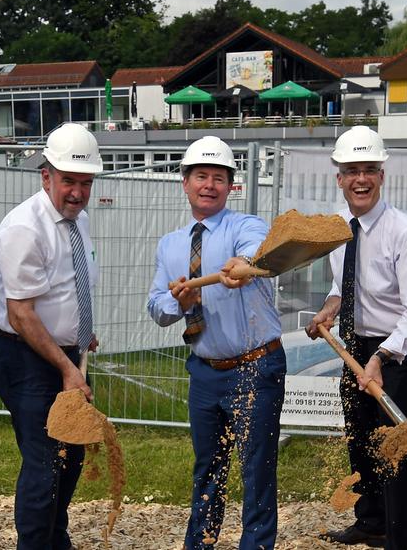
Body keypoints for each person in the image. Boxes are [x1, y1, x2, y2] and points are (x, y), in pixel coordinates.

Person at [147, 136, 285, 550]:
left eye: (219, 178)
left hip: (254, 367)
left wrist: (243, 266)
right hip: (205, 373)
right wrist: (179, 301)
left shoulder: (245, 227)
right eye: (201, 176)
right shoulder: (171, 245)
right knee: (208, 467)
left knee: (256, 468)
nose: (210, 184)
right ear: (184, 183)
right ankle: (200, 544)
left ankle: (256, 545)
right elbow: (156, 307)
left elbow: (258, 256)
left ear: (231, 187)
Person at [304, 126, 407, 550]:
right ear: (338, 178)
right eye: (351, 171)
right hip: (356, 342)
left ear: (382, 176)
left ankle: (398, 538)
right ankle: (371, 521)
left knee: (393, 441)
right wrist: (330, 307)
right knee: (360, 435)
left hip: (403, 347)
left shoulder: (405, 233)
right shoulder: (339, 228)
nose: (360, 179)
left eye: (369, 170)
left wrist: (382, 356)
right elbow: (346, 287)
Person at [0, 122, 103, 550]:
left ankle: (56, 539)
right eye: (68, 181)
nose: (76, 192)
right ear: (46, 175)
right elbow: (20, 314)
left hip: (62, 355)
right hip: (25, 360)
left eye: (85, 182)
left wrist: (81, 331)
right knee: (45, 462)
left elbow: (69, 286)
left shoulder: (79, 221)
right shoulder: (24, 227)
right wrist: (66, 368)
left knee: (69, 457)